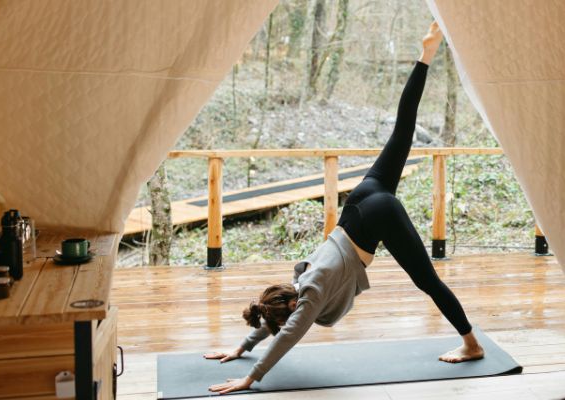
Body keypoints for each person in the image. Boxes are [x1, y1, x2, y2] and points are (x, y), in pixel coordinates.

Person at [204, 21, 484, 395]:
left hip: (376, 214)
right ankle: (426, 54)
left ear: (290, 306)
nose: (287, 320)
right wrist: (241, 347)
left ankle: (472, 344)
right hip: (362, 200)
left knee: (427, 281)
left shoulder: (311, 293)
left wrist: (250, 378)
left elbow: (286, 335)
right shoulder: (298, 282)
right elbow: (275, 320)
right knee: (402, 130)